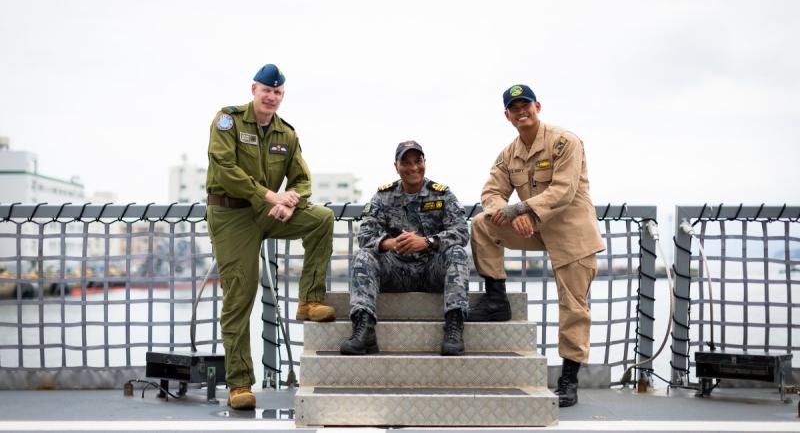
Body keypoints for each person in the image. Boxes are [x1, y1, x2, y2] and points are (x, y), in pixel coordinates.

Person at [205, 64, 335, 410]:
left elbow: (302, 179)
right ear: (254, 89)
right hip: (231, 214)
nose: (272, 96)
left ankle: (308, 300)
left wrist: (291, 201)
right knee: (239, 295)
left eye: (278, 92)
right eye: (267, 90)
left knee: (322, 219)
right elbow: (225, 169)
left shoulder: (285, 134)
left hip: (270, 210)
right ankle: (239, 384)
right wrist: (269, 196)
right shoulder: (228, 121)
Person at [468, 84, 605, 408]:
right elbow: (490, 193)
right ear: (507, 115)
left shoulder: (564, 141)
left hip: (572, 232)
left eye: (525, 105)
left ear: (537, 106)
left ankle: (568, 381)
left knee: (573, 307)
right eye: (514, 108)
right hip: (532, 226)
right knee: (481, 224)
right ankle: (497, 299)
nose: (521, 111)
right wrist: (507, 212)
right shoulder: (508, 154)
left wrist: (519, 209)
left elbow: (563, 191)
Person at [340, 140, 470, 356]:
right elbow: (364, 235)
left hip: (432, 272)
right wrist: (390, 243)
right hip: (396, 271)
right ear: (396, 166)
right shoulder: (383, 196)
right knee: (364, 256)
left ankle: (454, 329)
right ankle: (364, 330)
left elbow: (461, 232)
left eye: (417, 161)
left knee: (457, 253)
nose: (413, 168)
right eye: (406, 162)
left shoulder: (441, 194)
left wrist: (427, 241)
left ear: (425, 162)